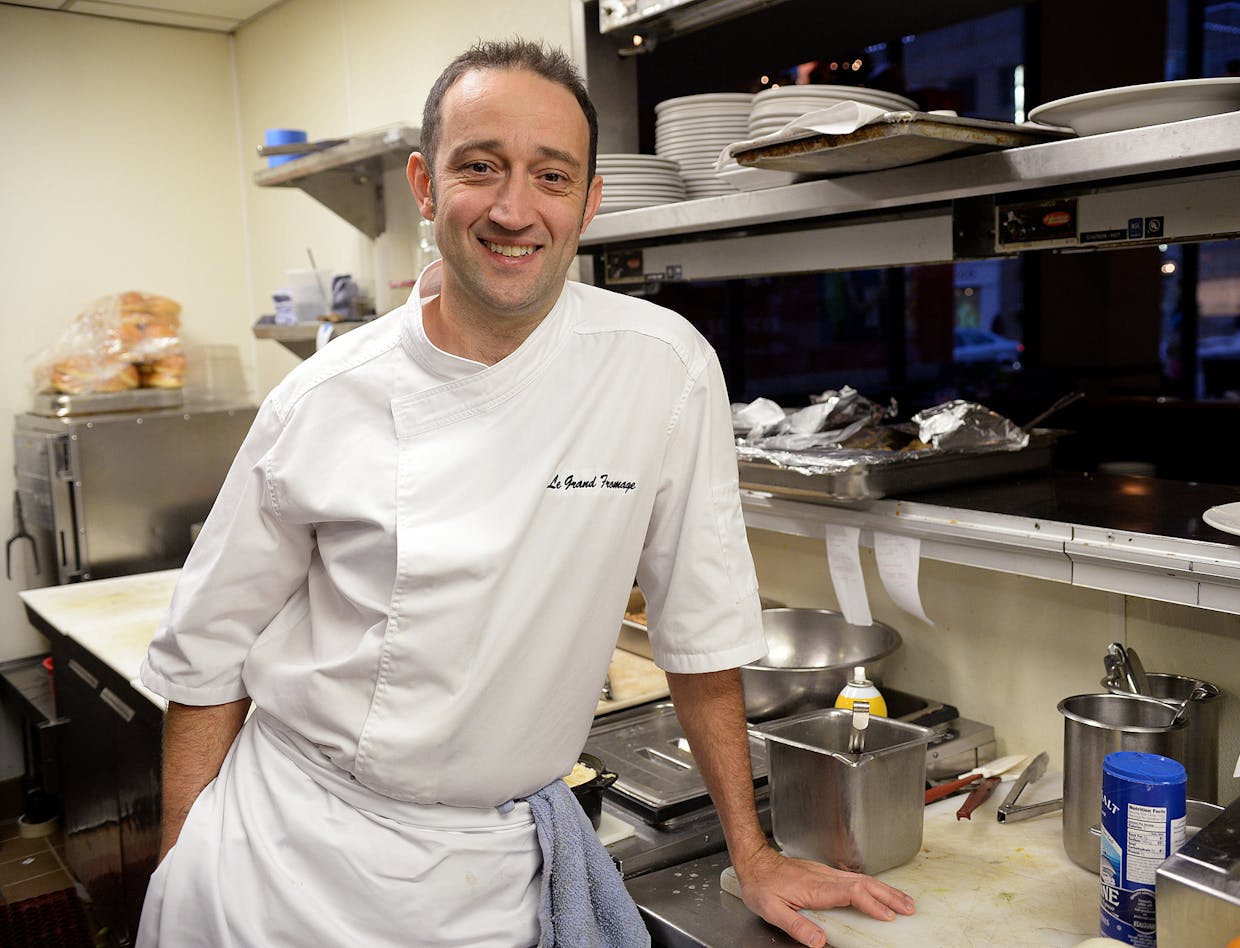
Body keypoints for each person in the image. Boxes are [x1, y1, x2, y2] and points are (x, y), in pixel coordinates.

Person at [135, 40, 914, 948]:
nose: (514, 209)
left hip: (489, 877)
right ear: (427, 187)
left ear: (589, 202)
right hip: (284, 860)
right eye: (481, 168)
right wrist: (181, 867)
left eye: (551, 176)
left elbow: (698, 631)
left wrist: (754, 851)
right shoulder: (324, 397)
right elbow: (206, 655)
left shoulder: (662, 368)